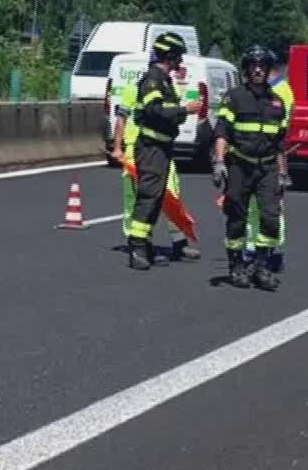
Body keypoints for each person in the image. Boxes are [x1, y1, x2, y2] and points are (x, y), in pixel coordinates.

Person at [111, 55, 200, 264]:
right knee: (137, 200)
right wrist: (117, 148)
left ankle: (179, 242)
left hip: (158, 148)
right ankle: (141, 244)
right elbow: (120, 120)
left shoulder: (164, 89)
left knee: (171, 195)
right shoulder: (133, 89)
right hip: (136, 151)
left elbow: (171, 112)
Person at [216, 46, 290, 289]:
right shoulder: (234, 97)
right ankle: (236, 266)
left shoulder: (277, 103)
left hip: (267, 168)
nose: (258, 70)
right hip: (239, 165)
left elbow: (279, 143)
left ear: (268, 70)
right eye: (253, 66)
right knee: (237, 216)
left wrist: (282, 174)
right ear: (247, 70)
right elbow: (222, 132)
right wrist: (219, 162)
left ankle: (261, 266)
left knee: (270, 217)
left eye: (262, 66)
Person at [126, 32, 193, 270]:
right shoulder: (154, 79)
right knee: (148, 196)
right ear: (170, 55)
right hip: (151, 147)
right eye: (178, 56)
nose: (180, 61)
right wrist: (185, 110)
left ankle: (145, 243)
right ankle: (138, 248)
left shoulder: (165, 80)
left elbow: (166, 111)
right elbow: (155, 110)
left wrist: (178, 113)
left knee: (155, 197)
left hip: (162, 147)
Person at [243, 57, 296, 274]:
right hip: (253, 158)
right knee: (251, 208)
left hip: (269, 158)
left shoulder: (281, 93)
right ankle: (252, 248)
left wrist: (281, 171)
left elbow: (277, 138)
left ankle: (272, 251)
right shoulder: (272, 90)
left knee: (271, 209)